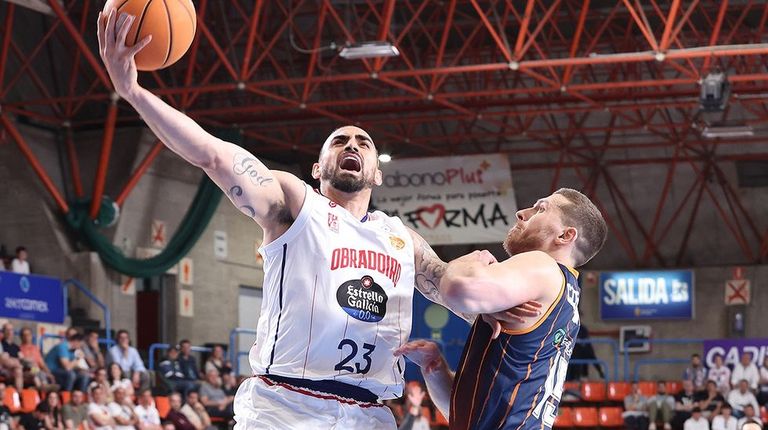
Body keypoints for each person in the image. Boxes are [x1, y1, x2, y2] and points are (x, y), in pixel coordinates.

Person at [96, 11, 537, 429]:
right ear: (317, 166)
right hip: (286, 407)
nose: (353, 144)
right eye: (339, 140)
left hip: (370, 412)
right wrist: (134, 91)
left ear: (377, 172)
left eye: (363, 142)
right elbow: (212, 154)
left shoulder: (402, 239)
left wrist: (504, 304)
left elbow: (450, 287)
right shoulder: (293, 203)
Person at [396, 189, 607, 429]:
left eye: (540, 209)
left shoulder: (545, 265)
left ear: (565, 235)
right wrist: (434, 367)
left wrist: (475, 259)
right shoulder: (563, 303)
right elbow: (473, 414)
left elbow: (456, 287)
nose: (522, 213)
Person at [19, 327, 57, 391]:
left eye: (28, 335)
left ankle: (41, 387)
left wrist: (49, 373)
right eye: (24, 335)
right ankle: (42, 387)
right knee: (36, 371)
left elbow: (42, 363)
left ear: (31, 336)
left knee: (42, 372)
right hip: (26, 371)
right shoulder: (19, 349)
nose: (26, 337)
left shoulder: (36, 348)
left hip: (36, 370)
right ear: (21, 337)